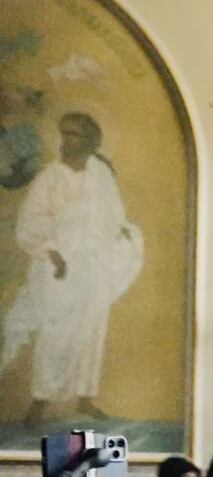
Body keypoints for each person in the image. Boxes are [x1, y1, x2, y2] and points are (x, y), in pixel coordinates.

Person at [5, 110, 144, 424]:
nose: (66, 141)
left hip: (93, 263)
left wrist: (121, 233)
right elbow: (32, 220)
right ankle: (40, 402)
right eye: (64, 134)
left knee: (92, 329)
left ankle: (85, 399)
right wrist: (51, 252)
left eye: (74, 134)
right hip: (60, 263)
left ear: (91, 140)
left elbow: (113, 214)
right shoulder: (51, 177)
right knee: (55, 332)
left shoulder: (101, 174)